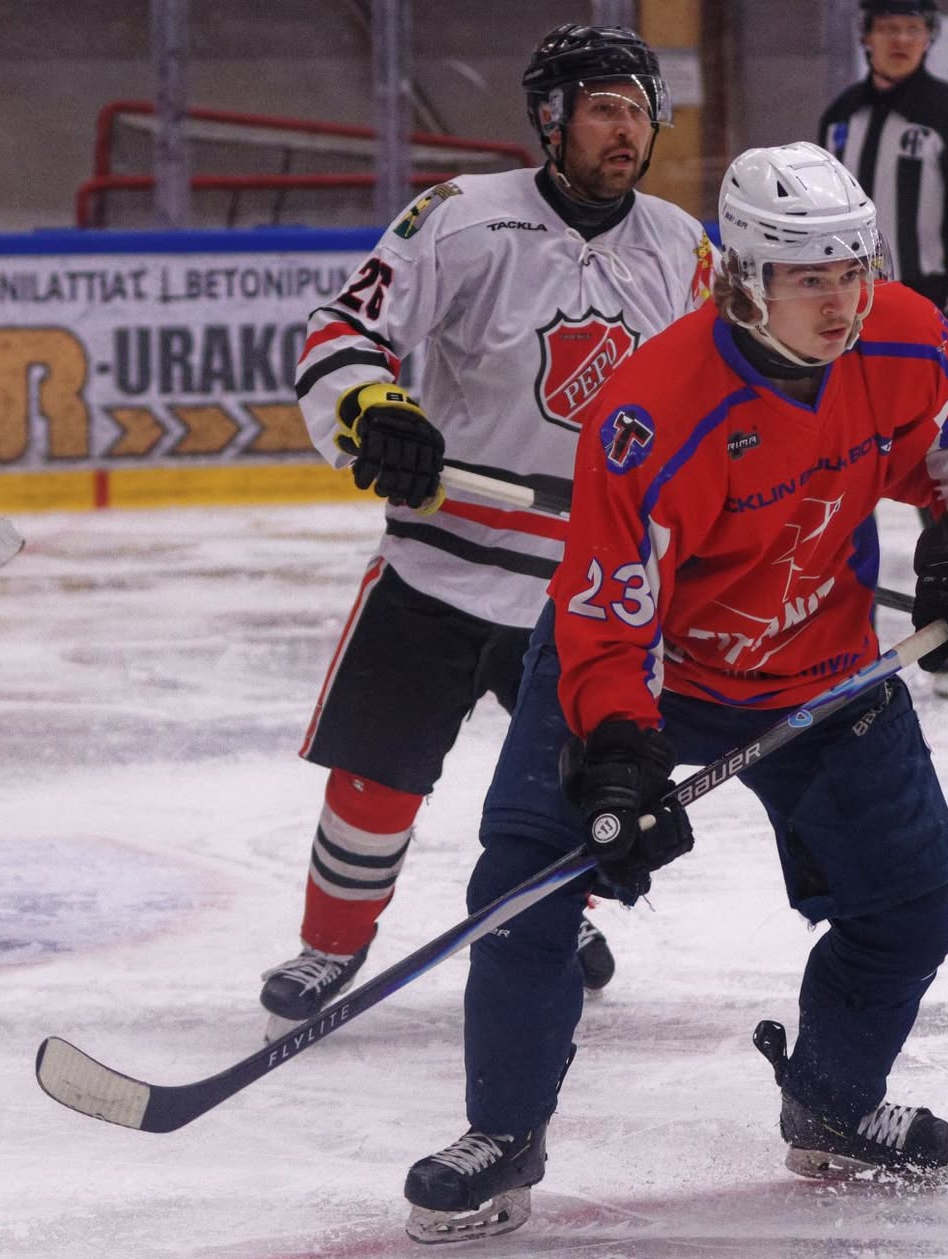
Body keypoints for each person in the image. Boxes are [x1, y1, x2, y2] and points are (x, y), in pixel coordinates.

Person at [400, 142, 948, 1243]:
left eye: (852, 271)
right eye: (809, 278)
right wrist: (617, 752)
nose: (840, 302)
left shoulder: (905, 337)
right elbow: (608, 607)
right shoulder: (653, 408)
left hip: (822, 667)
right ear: (744, 278)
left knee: (906, 902)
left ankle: (833, 1102)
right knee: (523, 885)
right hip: (649, 667)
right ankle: (501, 1135)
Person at [266, 24, 712, 1039]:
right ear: (551, 119)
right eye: (603, 109)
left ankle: (552, 911)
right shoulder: (461, 218)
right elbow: (345, 329)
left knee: (579, 781)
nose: (625, 130)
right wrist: (375, 407)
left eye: (639, 112)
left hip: (586, 584)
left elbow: (719, 397)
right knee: (375, 774)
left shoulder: (681, 249)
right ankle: (331, 943)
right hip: (439, 564)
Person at [816, 0, 948, 698]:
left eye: (914, 28)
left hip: (928, 332)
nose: (902, 39)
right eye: (889, 27)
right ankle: (813, 634)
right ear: (866, 36)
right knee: (826, 469)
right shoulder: (839, 119)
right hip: (839, 329)